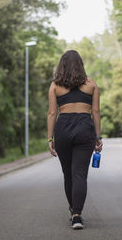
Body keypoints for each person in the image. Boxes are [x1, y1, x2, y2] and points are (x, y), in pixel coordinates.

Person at [47, 50, 103, 230]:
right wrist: (98, 136)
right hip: (85, 128)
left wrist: (50, 138)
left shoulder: (55, 86)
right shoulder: (91, 85)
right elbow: (95, 112)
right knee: (79, 174)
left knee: (68, 174)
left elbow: (52, 113)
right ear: (81, 64)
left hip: (63, 128)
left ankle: (73, 210)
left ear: (62, 65)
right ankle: (77, 215)